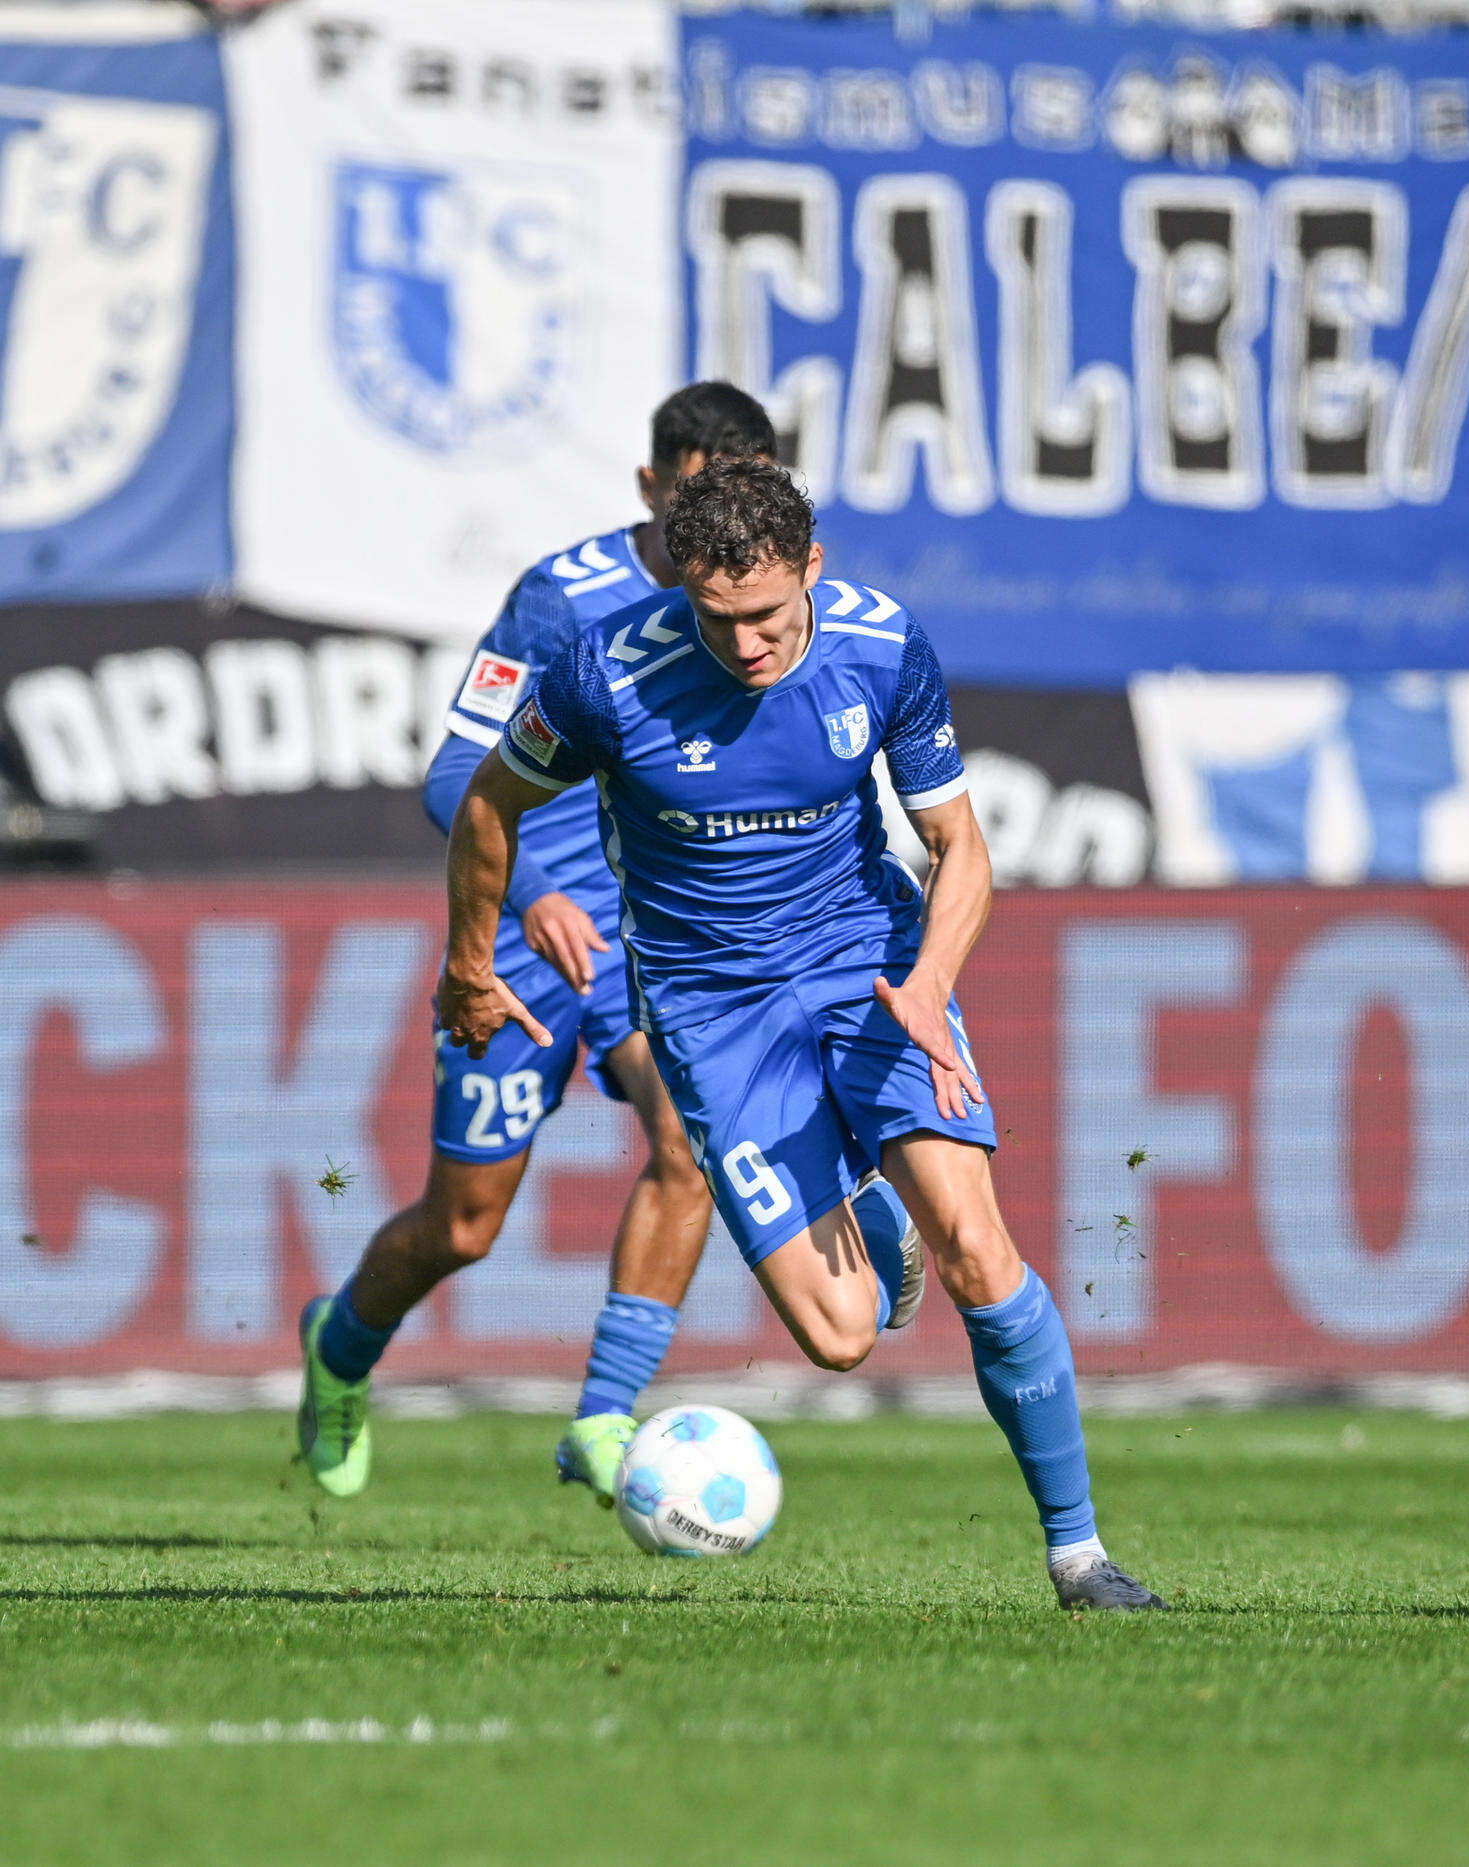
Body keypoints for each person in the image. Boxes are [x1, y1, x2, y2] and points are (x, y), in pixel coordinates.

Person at [442, 456, 1159, 1610]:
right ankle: (868, 1201)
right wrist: (470, 963)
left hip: (866, 970)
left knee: (977, 1243)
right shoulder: (606, 674)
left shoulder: (883, 649)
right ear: (680, 585)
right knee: (840, 1336)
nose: (748, 646)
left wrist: (930, 982)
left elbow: (959, 848)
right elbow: (487, 804)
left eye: (769, 616)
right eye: (718, 619)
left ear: (811, 568)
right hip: (712, 1013)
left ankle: (1080, 1557)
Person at [293, 383, 916, 1504]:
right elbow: (456, 776)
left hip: (659, 940)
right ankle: (341, 1343)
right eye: (694, 500)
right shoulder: (562, 598)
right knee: (465, 1224)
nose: (715, 536)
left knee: (688, 1140)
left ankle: (602, 1417)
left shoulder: (777, 619)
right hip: (535, 943)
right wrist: (530, 894)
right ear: (651, 487)